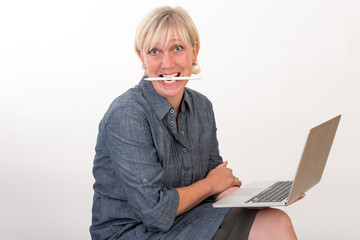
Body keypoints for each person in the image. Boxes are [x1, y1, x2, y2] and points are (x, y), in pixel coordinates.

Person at [90, 6, 303, 240]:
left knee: (276, 221)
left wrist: (252, 200)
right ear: (142, 56)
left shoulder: (202, 107)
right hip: (135, 231)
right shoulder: (127, 114)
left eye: (177, 48)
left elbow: (217, 182)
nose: (167, 63)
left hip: (188, 217)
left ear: (195, 50)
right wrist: (211, 185)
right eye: (154, 51)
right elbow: (156, 212)